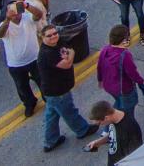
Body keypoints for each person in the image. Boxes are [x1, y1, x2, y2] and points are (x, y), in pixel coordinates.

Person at [37, 24, 99, 152]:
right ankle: (82, 130)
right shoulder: (47, 53)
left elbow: (72, 48)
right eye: (49, 35)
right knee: (69, 112)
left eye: (55, 33)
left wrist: (69, 54)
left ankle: (50, 141)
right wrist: (69, 56)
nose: (54, 36)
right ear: (42, 37)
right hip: (57, 91)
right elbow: (67, 64)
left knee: (52, 116)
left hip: (54, 91)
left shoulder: (58, 43)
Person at [0, 0, 42, 117]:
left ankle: (48, 97)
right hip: (16, 64)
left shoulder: (28, 18)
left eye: (17, 9)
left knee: (42, 80)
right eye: (12, 10)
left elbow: (39, 15)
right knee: (22, 87)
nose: (15, 13)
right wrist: (8, 19)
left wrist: (27, 6)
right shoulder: (4, 25)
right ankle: (29, 103)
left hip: (34, 58)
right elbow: (0, 34)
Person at [97, 25, 144, 122]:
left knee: (119, 102)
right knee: (127, 114)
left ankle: (108, 126)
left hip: (109, 86)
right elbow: (132, 73)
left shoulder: (105, 49)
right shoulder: (125, 55)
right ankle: (125, 127)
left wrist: (100, 80)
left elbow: (99, 66)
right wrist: (141, 83)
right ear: (124, 39)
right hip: (124, 90)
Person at [85, 100, 143, 165]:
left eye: (99, 123)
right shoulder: (115, 115)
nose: (99, 125)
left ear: (106, 118)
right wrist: (98, 142)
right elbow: (113, 133)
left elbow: (135, 157)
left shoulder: (131, 130)